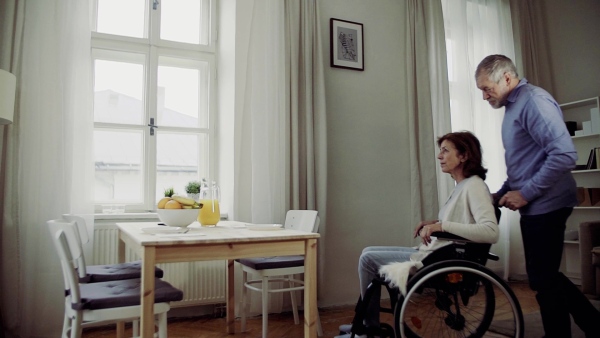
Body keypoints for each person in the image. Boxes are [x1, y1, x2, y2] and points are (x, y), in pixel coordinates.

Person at [475, 54, 600, 338]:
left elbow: (565, 155)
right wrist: (504, 192)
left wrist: (526, 194)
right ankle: (581, 327)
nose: (484, 96)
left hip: (548, 202)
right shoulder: (513, 107)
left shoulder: (533, 102)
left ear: (507, 77)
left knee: (542, 277)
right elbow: (525, 163)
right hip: (535, 204)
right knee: (543, 277)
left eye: (486, 88)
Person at [336, 131, 499, 338]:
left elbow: (490, 232)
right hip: (435, 253)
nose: (439, 156)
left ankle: (368, 329)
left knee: (368, 259)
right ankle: (367, 324)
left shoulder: (474, 186)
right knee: (368, 252)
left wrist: (441, 226)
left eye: (445, 151)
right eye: (440, 151)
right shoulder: (462, 186)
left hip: (441, 259)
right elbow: (462, 223)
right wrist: (434, 223)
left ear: (464, 155)